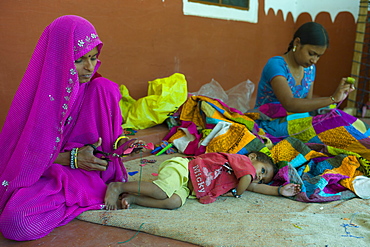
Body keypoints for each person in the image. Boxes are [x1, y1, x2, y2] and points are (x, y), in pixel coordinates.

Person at [0, 15, 142, 241]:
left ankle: (87, 198)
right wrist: (70, 158)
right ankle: (81, 201)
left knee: (17, 222)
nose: (89, 67)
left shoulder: (101, 90)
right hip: (43, 171)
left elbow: (109, 150)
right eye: (79, 60)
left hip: (86, 176)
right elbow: (19, 154)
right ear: (58, 59)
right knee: (13, 212)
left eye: (94, 58)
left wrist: (123, 147)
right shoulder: (40, 93)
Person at [253, 22, 370, 162]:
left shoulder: (309, 69)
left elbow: (307, 104)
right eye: (311, 53)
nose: (314, 60)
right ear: (297, 43)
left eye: (318, 56)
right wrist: (332, 98)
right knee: (333, 127)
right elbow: (290, 104)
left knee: (339, 117)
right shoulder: (276, 65)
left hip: (294, 121)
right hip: (269, 124)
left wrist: (329, 106)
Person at [104, 151, 301, 210]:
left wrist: (278, 191)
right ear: (253, 158)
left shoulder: (245, 179)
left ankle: (135, 199)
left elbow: (254, 187)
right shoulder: (242, 162)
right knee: (161, 191)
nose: (259, 177)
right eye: (262, 170)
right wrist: (238, 193)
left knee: (172, 203)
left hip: (189, 188)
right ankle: (118, 186)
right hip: (183, 169)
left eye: (263, 179)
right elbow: (247, 181)